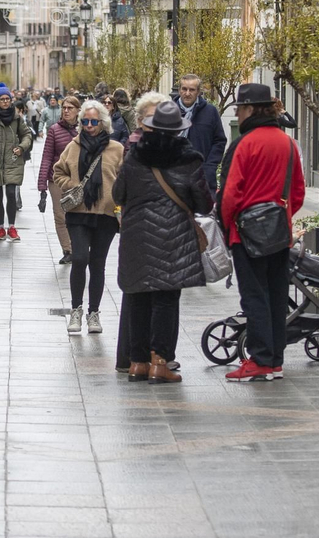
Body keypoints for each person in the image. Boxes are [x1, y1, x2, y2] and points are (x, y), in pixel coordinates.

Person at [113, 101, 212, 383]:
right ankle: (160, 363)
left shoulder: (134, 156)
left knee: (139, 297)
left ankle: (137, 363)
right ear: (179, 131)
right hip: (173, 238)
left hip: (136, 236)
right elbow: (204, 203)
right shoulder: (189, 158)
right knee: (166, 300)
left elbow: (119, 194)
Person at [216, 83, 304, 382]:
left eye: (240, 109)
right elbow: (298, 191)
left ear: (251, 109)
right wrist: (283, 215)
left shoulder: (244, 143)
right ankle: (276, 359)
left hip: (247, 233)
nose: (238, 115)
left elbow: (229, 194)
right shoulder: (288, 143)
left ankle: (261, 359)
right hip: (279, 231)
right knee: (277, 294)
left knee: (254, 296)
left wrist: (229, 225)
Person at [50, 99, 124, 335]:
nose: (89, 126)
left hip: (105, 215)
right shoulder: (73, 146)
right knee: (80, 258)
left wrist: (119, 202)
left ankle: (94, 313)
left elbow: (124, 180)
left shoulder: (116, 149)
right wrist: (71, 185)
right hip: (78, 212)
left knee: (98, 264)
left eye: (93, 121)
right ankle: (76, 310)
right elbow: (58, 170)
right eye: (85, 121)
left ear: (103, 123)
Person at [0, 83, 33, 241]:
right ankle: (0, 228)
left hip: (13, 161)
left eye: (8, 99)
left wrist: (22, 147)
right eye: (2, 99)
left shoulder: (16, 118)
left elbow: (27, 134)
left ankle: (12, 227)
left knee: (11, 193)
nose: (5, 102)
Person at [36, 95, 80, 265]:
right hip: (57, 180)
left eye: (70, 108)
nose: (66, 111)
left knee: (77, 215)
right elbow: (47, 157)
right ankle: (68, 250)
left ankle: (79, 247)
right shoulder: (54, 129)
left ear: (78, 111)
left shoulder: (85, 129)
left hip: (79, 180)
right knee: (60, 216)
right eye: (64, 108)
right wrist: (42, 186)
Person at [176, 75, 228, 187]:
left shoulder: (210, 112)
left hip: (203, 178)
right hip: (175, 177)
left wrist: (209, 167)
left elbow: (219, 141)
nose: (187, 93)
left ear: (198, 92)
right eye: (184, 89)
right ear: (179, 90)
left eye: (192, 90)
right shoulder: (169, 111)